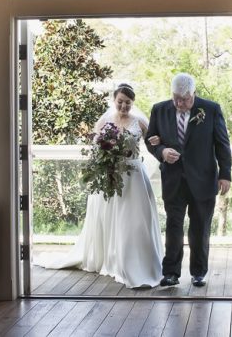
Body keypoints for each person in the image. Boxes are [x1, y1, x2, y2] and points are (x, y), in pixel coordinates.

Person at [34, 83, 163, 288]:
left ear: (133, 103)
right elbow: (96, 149)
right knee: (109, 217)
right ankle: (109, 258)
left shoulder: (139, 122)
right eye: (120, 102)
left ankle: (137, 261)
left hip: (133, 175)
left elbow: (151, 144)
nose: (123, 106)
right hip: (110, 174)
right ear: (114, 100)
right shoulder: (105, 120)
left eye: (127, 103)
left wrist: (156, 142)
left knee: (134, 220)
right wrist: (105, 163)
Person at [145, 73, 232, 287]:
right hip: (173, 179)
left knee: (200, 228)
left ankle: (199, 272)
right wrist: (162, 152)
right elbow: (151, 140)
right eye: (176, 98)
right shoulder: (159, 109)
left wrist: (225, 174)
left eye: (184, 99)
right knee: (174, 226)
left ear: (194, 93)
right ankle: (171, 273)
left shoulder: (211, 109)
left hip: (203, 179)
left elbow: (222, 143)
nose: (179, 103)